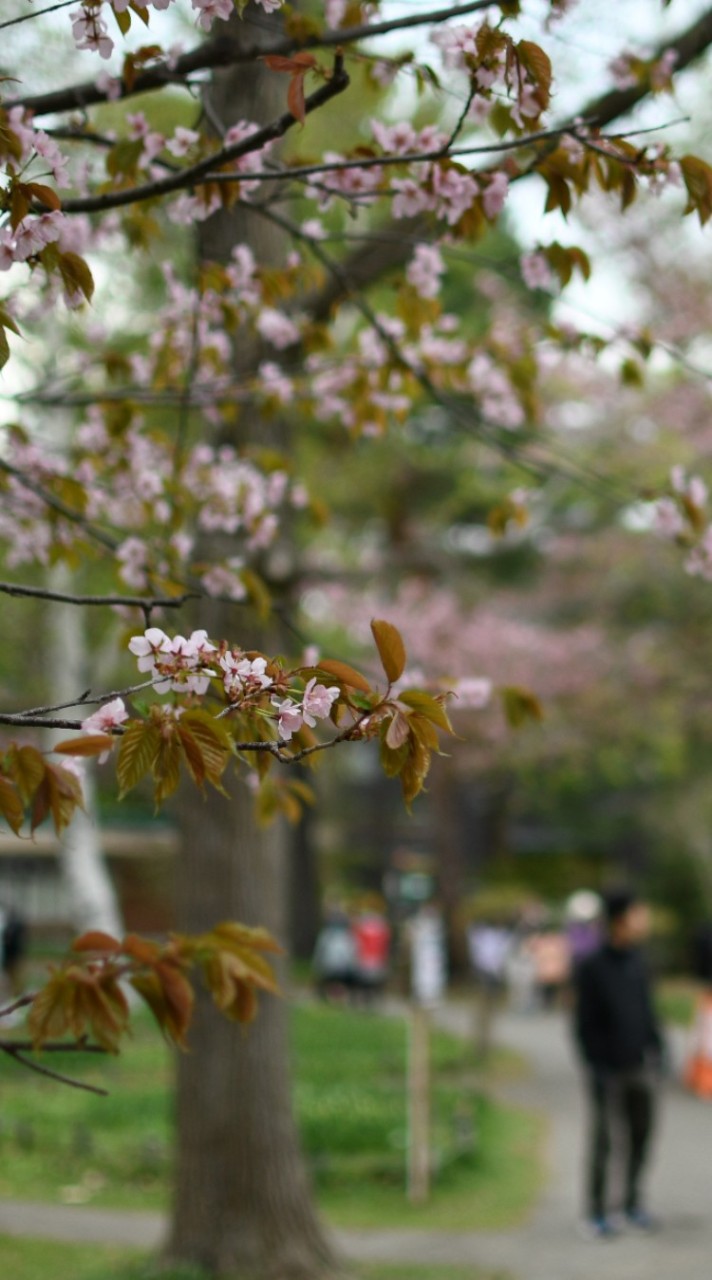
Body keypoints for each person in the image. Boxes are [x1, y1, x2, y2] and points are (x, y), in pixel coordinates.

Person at [574, 887, 664, 1238]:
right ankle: (596, 1212)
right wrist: (596, 1064)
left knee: (641, 1135)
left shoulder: (638, 961)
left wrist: (658, 1049)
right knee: (605, 1140)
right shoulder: (593, 967)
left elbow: (647, 1012)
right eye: (639, 913)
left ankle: (631, 1203)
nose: (644, 920)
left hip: (640, 1064)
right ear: (620, 920)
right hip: (607, 1069)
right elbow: (584, 1023)